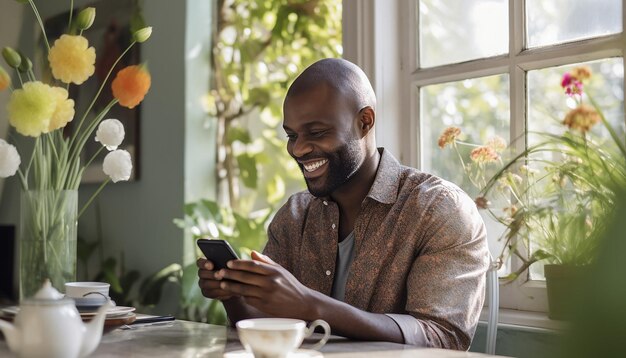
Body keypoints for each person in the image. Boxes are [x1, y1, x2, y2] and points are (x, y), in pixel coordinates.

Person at [197, 58, 489, 350]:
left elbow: (442, 338)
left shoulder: (439, 210)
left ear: (365, 122)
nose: (298, 149)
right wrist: (234, 295)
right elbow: (269, 329)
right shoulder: (294, 216)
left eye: (317, 132)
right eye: (292, 135)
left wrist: (311, 305)